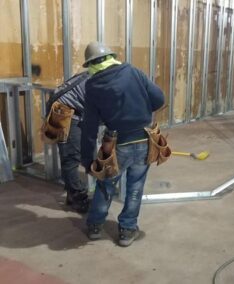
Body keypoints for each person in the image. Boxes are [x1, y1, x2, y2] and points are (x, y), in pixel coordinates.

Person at [80, 42, 165, 247]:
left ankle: (95, 226)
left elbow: (90, 128)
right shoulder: (133, 72)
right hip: (145, 139)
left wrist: (88, 161)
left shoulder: (92, 86)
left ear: (91, 64)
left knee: (105, 184)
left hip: (116, 144)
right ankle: (127, 230)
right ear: (111, 57)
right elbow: (159, 99)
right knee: (135, 186)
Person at [46, 72, 91, 213]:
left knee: (70, 154)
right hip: (63, 111)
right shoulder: (101, 82)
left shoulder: (96, 74)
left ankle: (72, 193)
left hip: (65, 107)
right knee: (70, 156)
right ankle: (77, 196)